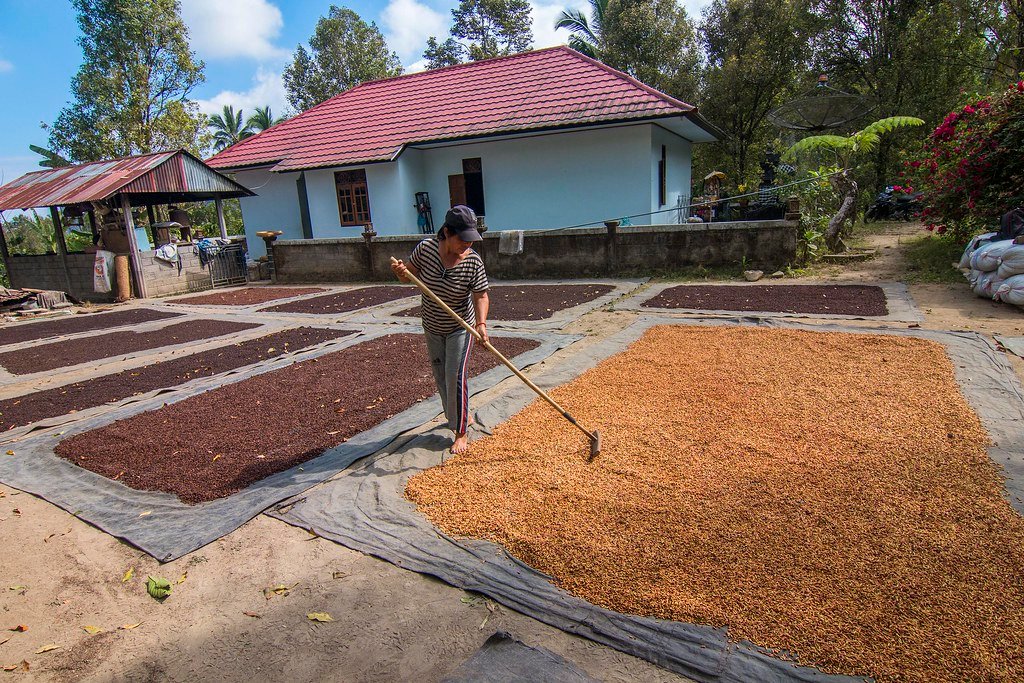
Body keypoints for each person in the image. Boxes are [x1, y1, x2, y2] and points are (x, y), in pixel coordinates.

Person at [391, 205, 490, 455]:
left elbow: (481, 295)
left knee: (455, 377)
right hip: (432, 325)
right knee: (441, 376)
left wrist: (481, 325)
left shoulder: (473, 262)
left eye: (471, 240)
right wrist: (401, 273)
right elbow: (409, 276)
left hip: (461, 326)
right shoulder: (425, 250)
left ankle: (461, 432)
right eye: (463, 239)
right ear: (446, 232)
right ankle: (457, 416)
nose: (467, 245)